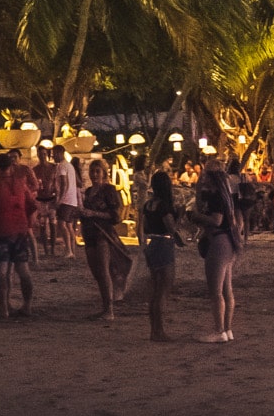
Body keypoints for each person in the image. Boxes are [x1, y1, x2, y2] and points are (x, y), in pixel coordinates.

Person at [0, 152, 35, 318]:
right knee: (23, 270)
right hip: (20, 231)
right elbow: (32, 204)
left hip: (0, 231)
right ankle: (27, 306)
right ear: (11, 166)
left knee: (1, 271)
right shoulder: (21, 184)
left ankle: (3, 308)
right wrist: (27, 221)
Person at [78, 158, 134, 319]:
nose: (94, 174)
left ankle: (109, 309)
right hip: (89, 234)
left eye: (98, 171)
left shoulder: (109, 190)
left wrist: (93, 213)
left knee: (104, 270)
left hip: (103, 234)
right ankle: (105, 306)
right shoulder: (89, 192)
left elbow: (116, 216)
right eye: (92, 171)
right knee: (96, 272)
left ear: (104, 173)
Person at [190, 163, 239, 343]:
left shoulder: (216, 197)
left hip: (218, 240)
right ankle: (227, 329)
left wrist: (197, 217)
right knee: (227, 289)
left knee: (216, 291)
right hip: (227, 241)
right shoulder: (225, 196)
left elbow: (216, 220)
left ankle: (219, 330)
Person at [143, 165, 181, 342]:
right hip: (164, 244)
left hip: (152, 243)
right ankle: (160, 331)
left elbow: (144, 227)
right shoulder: (164, 206)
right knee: (163, 290)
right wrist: (179, 217)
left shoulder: (148, 205)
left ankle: (154, 329)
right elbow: (171, 228)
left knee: (155, 290)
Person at [52, 145, 80, 259]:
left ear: (60, 153)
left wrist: (60, 199)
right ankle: (72, 250)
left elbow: (64, 183)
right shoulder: (70, 166)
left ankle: (68, 250)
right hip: (72, 200)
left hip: (66, 200)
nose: (53, 156)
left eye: (54, 154)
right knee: (69, 226)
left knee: (62, 224)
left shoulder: (62, 166)